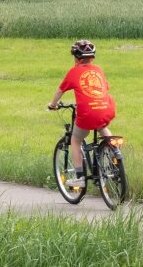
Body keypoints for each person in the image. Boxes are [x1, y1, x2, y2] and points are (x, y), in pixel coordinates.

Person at [47, 40, 117, 187]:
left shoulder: (73, 72)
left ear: (76, 58)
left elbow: (60, 90)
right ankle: (113, 152)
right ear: (92, 57)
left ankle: (79, 177)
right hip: (106, 109)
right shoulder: (98, 70)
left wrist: (53, 105)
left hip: (87, 113)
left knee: (76, 140)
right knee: (102, 126)